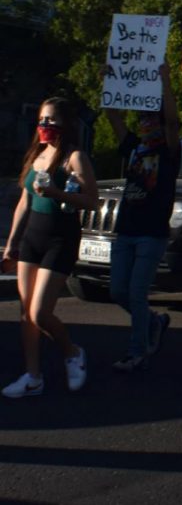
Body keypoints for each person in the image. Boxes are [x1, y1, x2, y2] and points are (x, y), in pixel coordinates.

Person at [2, 97, 98, 398]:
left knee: (40, 313)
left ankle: (72, 352)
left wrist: (57, 192)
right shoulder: (37, 155)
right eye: (42, 119)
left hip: (60, 238)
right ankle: (33, 376)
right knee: (25, 312)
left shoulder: (75, 158)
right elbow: (24, 203)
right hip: (33, 237)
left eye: (51, 120)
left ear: (65, 124)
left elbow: (92, 201)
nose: (44, 125)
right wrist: (11, 244)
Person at [104, 64, 180, 372]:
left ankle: (137, 351)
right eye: (143, 119)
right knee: (118, 291)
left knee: (136, 292)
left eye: (151, 119)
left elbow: (175, 122)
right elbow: (113, 115)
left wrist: (165, 80)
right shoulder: (134, 148)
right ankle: (154, 322)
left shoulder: (170, 152)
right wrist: (112, 80)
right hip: (126, 230)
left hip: (151, 232)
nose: (145, 124)